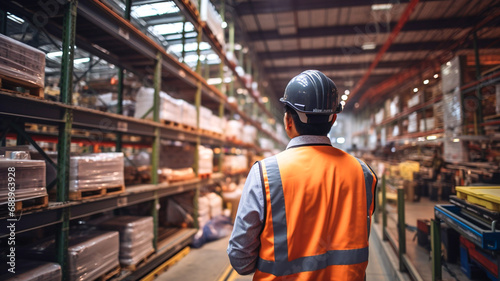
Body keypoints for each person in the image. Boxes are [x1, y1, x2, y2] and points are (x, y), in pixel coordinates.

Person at [227, 70, 378, 280]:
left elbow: (241, 260)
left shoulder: (265, 174)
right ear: (333, 119)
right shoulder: (363, 174)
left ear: (288, 121)